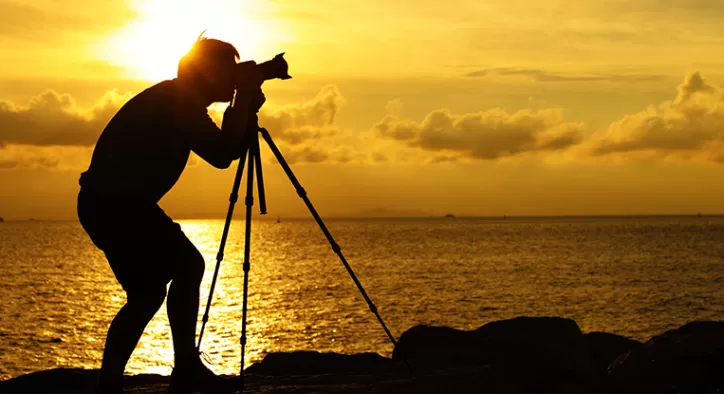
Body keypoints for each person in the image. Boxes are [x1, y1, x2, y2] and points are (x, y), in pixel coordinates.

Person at [76, 37, 265, 394]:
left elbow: (226, 151)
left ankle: (111, 382)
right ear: (208, 74)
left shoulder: (177, 98)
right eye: (228, 72)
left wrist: (243, 104)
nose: (232, 80)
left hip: (107, 204)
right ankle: (185, 370)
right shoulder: (180, 103)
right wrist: (242, 103)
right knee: (187, 266)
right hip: (119, 204)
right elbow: (223, 153)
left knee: (146, 294)